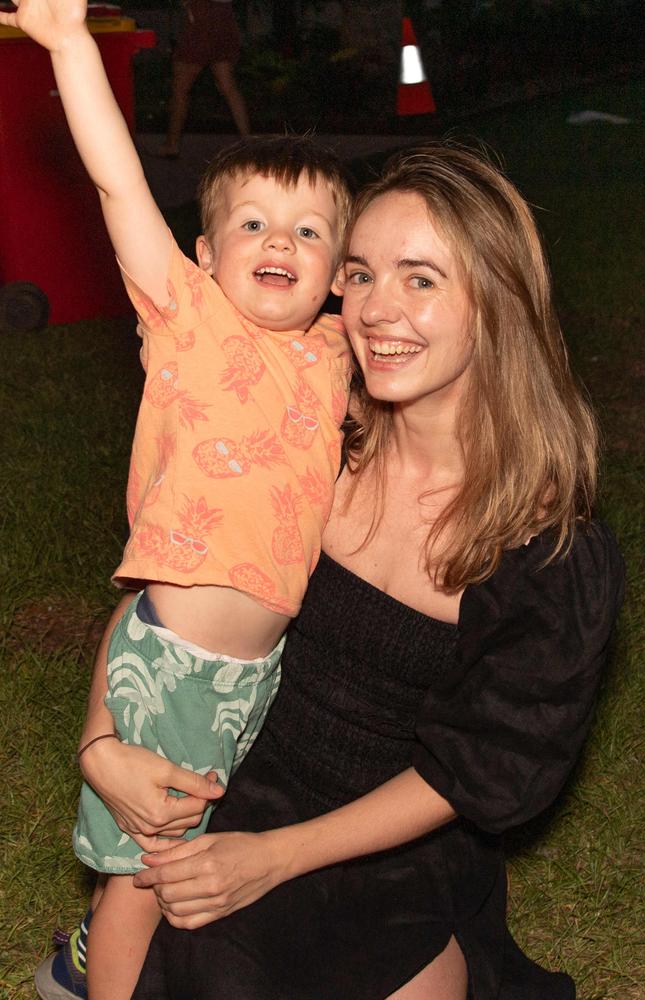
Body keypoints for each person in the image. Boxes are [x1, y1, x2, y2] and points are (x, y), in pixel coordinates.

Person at [44, 141, 624, 999]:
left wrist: (274, 861)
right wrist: (102, 744)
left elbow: (480, 772)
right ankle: (113, 939)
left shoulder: (547, 548)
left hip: (395, 842)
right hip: (238, 777)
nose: (376, 310)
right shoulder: (309, 433)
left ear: (496, 302)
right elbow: (166, 591)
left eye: (421, 279)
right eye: (360, 273)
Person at [2, 1, 353, 997]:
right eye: (249, 223)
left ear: (336, 272)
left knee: (184, 862)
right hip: (172, 664)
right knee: (143, 883)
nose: (277, 240)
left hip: (257, 677)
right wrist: (70, 44)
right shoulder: (190, 322)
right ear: (202, 254)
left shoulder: (334, 355)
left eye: (307, 229)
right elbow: (116, 181)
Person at [158, 0, 249, 157]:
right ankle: (248, 142)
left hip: (202, 19)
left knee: (180, 89)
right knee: (229, 87)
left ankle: (172, 144)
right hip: (224, 18)